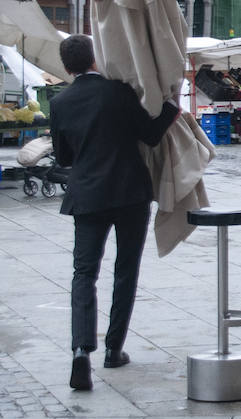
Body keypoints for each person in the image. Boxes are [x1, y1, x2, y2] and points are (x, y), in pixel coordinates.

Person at [49, 35, 179, 392]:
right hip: (129, 192)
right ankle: (113, 349)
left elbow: (62, 157)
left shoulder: (60, 101)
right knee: (125, 270)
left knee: (83, 273)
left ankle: (80, 351)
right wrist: (171, 107)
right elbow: (150, 135)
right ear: (96, 59)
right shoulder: (117, 91)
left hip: (87, 195)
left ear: (66, 67)